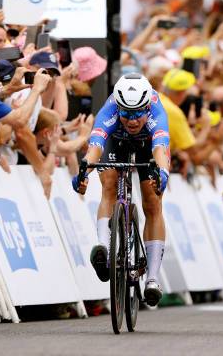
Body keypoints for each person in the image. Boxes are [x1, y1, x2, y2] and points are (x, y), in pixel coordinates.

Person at [72, 73, 170, 307]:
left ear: (147, 107)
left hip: (149, 146)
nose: (133, 120)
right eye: (126, 113)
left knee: (153, 203)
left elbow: (160, 150)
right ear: (119, 106)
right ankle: (105, 251)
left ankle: (153, 279)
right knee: (108, 186)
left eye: (138, 113)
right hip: (115, 142)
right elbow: (95, 147)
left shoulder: (157, 113)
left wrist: (163, 173)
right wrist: (83, 172)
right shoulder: (110, 110)